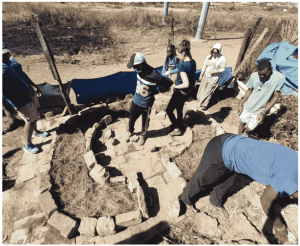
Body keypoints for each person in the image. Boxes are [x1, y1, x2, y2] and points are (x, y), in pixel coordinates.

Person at [178, 133, 298, 244]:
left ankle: (215, 201)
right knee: (202, 180)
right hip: (220, 149)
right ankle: (185, 198)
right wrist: (279, 226)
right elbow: (265, 201)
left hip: (237, 148)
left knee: (227, 182)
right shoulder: (290, 178)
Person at [2, 43, 49, 154]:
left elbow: (23, 75)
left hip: (28, 93)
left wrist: (33, 86)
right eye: (3, 55)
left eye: (7, 53)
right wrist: (6, 109)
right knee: (30, 120)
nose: (6, 56)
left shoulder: (13, 62)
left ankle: (36, 132)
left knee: (34, 114)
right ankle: (27, 144)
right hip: (19, 100)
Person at [125, 52, 173, 146]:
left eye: (134, 67)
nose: (133, 69)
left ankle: (143, 135)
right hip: (135, 101)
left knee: (145, 121)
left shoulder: (154, 76)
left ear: (141, 66)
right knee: (131, 119)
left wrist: (159, 90)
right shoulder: (139, 71)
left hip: (146, 104)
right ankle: (131, 131)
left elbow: (167, 83)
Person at [237, 60, 285, 137]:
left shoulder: (279, 78)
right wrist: (241, 103)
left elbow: (276, 97)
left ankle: (245, 132)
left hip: (260, 110)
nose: (261, 76)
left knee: (251, 128)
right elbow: (249, 91)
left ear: (271, 69)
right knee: (242, 122)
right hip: (249, 106)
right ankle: (237, 136)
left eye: (264, 74)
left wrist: (264, 112)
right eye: (259, 74)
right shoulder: (254, 76)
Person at [166, 40, 196, 136]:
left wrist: (175, 86)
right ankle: (181, 125)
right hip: (186, 93)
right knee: (179, 109)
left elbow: (186, 83)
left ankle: (177, 127)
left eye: (178, 55)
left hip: (180, 91)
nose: (176, 57)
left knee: (169, 110)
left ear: (183, 54)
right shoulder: (193, 62)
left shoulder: (183, 65)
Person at [197, 43, 226, 111]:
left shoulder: (222, 59)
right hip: (206, 76)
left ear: (219, 52)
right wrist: (201, 75)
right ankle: (201, 101)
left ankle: (205, 104)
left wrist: (215, 72)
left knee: (209, 91)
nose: (214, 54)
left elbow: (223, 69)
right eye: (213, 52)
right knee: (203, 89)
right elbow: (204, 66)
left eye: (216, 53)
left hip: (214, 78)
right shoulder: (208, 57)